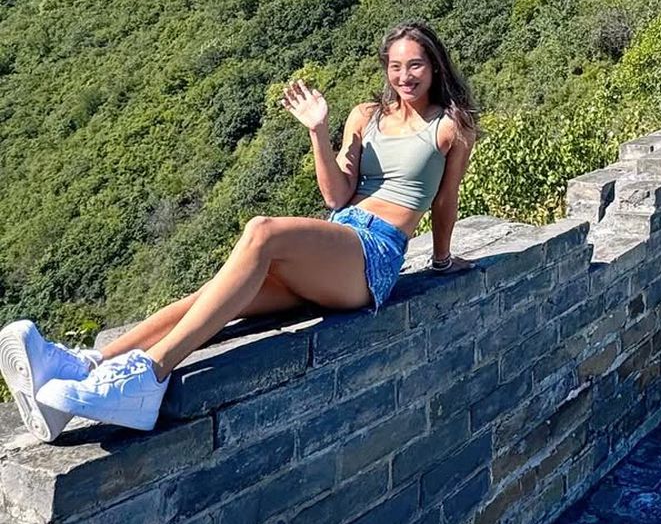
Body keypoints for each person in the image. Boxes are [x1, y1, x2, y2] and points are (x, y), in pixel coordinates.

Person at [0, 22, 477, 441]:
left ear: (434, 66)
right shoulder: (365, 115)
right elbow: (336, 196)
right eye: (395, 66)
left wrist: (441, 260)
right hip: (339, 239)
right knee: (211, 297)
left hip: (373, 256)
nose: (405, 76)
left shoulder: (450, 126)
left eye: (415, 65)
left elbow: (445, 200)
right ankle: (84, 369)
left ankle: (149, 375)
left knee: (262, 231)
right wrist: (317, 130)